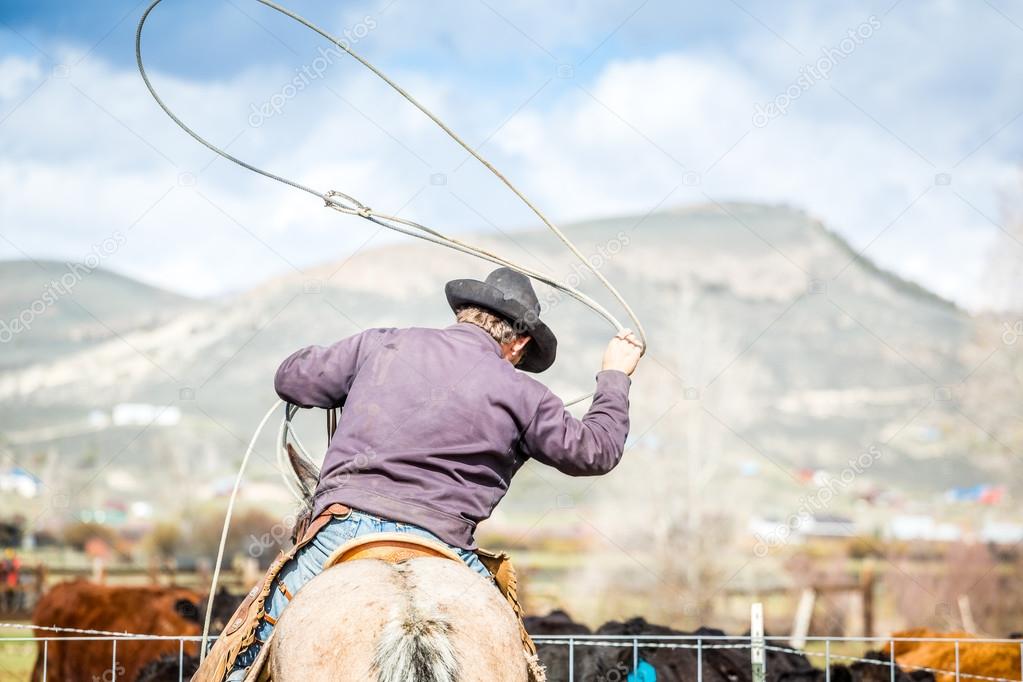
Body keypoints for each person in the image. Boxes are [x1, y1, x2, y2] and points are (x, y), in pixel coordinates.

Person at [218, 267, 643, 681]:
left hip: (341, 531)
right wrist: (614, 376)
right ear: (519, 344)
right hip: (446, 545)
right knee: (519, 662)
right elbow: (596, 451)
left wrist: (329, 357)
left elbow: (292, 378)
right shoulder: (524, 394)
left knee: (238, 658)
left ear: (465, 314)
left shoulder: (381, 345)